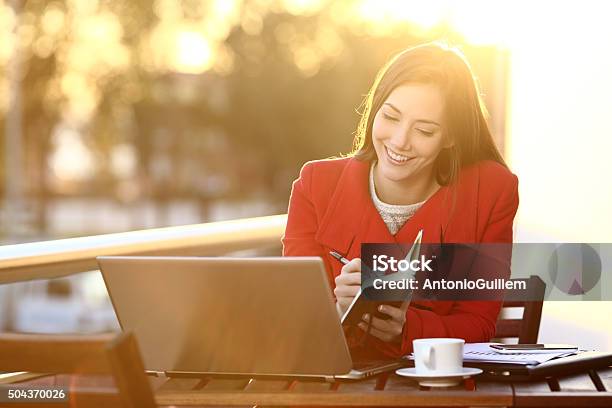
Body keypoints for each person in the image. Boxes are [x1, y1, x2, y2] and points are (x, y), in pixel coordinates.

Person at [282, 42, 519, 359]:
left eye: (424, 130)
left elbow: (479, 324)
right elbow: (293, 321)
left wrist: (410, 327)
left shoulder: (490, 192)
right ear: (375, 109)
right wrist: (339, 308)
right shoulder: (316, 185)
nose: (399, 141)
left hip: (434, 388)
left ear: (451, 137)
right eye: (390, 117)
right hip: (332, 386)